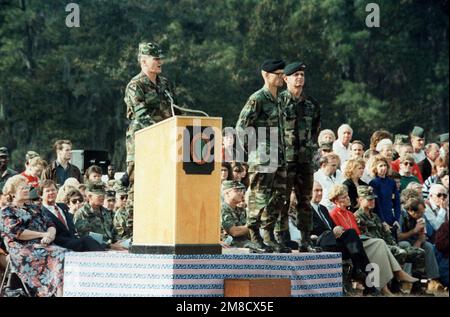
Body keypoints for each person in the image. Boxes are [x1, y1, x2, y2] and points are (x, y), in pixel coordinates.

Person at [235, 58, 288, 253]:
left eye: (283, 74)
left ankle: (268, 233)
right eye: (278, 74)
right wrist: (246, 153)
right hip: (263, 155)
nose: (282, 77)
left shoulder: (282, 98)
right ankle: (254, 235)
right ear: (266, 75)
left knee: (279, 196)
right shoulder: (258, 98)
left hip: (280, 155)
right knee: (259, 196)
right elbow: (241, 127)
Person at [327, 184, 418, 294]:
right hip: (349, 246)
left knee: (379, 249)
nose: (348, 198)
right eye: (344, 197)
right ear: (336, 200)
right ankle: (397, 274)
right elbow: (342, 235)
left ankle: (386, 287)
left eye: (347, 196)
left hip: (359, 242)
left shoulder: (350, 214)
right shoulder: (333, 214)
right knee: (379, 243)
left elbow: (359, 233)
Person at [124, 42, 178, 208]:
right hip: (143, 142)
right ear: (143, 61)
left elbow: (175, 110)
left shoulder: (165, 83)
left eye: (160, 58)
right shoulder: (135, 85)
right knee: (138, 186)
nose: (160, 62)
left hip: (165, 142)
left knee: (163, 184)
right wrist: (164, 131)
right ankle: (131, 230)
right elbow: (141, 116)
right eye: (156, 59)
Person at [0, 175, 66, 297]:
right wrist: (43, 234)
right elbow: (18, 233)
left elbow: (50, 224)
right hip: (22, 249)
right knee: (60, 254)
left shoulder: (35, 208)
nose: (26, 190)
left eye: (27, 187)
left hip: (44, 245)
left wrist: (50, 235)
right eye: (22, 188)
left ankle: (61, 292)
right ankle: (57, 293)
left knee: (67, 253)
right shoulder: (7, 211)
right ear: (13, 193)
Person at [279, 61, 321, 252]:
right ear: (285, 78)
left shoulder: (312, 104)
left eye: (302, 75)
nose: (299, 78)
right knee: (282, 200)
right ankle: (281, 239)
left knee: (305, 200)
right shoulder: (278, 103)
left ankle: (305, 241)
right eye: (295, 75)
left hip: (305, 159)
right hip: (284, 159)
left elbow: (314, 131)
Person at [355, 186, 426, 280]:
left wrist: (394, 245)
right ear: (360, 200)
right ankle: (397, 284)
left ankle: (418, 285)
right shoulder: (358, 217)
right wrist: (393, 247)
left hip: (388, 246)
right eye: (369, 199)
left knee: (419, 253)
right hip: (376, 249)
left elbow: (386, 234)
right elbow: (369, 239)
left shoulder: (375, 216)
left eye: (373, 199)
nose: (372, 201)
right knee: (401, 253)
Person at [40, 180, 105, 252]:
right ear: (41, 194)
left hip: (73, 240)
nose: (51, 192)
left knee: (95, 241)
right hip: (58, 243)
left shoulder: (62, 207)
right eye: (47, 191)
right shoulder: (41, 212)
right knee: (87, 240)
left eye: (53, 190)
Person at [398, 197, 443, 291]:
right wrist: (414, 231)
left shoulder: (420, 216)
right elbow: (398, 237)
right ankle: (407, 280)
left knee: (428, 246)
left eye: (423, 212)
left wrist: (419, 240)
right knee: (406, 245)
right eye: (419, 213)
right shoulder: (401, 215)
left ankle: (433, 279)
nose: (422, 215)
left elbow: (422, 237)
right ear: (411, 211)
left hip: (414, 241)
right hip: (400, 242)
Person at [73, 181, 126, 250]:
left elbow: (114, 231)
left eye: (103, 195)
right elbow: (87, 237)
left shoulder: (107, 212)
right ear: (89, 196)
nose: (102, 198)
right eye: (99, 196)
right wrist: (109, 245)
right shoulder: (81, 214)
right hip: (94, 251)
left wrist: (118, 241)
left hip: (112, 249)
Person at [369, 155, 401, 229]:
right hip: (380, 218)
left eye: (385, 165)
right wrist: (382, 221)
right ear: (375, 168)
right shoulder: (373, 183)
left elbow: (397, 202)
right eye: (380, 166)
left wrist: (396, 219)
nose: (383, 168)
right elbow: (377, 204)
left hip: (391, 217)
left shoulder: (391, 182)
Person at [220, 181, 253, 249]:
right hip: (230, 243)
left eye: (242, 190)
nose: (241, 193)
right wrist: (254, 227)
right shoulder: (222, 209)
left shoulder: (241, 210)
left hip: (243, 242)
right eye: (237, 190)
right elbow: (234, 232)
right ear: (227, 193)